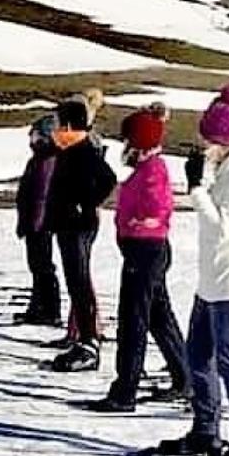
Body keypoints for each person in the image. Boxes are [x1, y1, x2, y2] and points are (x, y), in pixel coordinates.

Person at [152, 85, 229, 456]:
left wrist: (198, 190)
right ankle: (205, 431)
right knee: (198, 357)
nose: (203, 146)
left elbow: (226, 226)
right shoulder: (226, 168)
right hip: (211, 281)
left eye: (210, 139)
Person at [88, 106, 190, 412]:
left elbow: (159, 206)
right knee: (159, 317)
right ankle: (184, 378)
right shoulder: (147, 169)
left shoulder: (153, 170)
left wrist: (140, 223)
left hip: (145, 251)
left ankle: (125, 390)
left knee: (134, 319)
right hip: (144, 250)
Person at [46, 99, 119, 372]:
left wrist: (85, 204)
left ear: (67, 123)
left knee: (80, 282)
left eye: (58, 120)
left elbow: (108, 179)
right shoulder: (68, 148)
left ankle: (89, 344)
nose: (54, 126)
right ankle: (83, 339)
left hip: (78, 225)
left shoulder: (83, 149)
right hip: (66, 224)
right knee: (75, 282)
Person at [15, 114, 61, 325]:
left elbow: (41, 194)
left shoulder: (47, 160)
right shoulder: (39, 159)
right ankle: (37, 307)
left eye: (34, 134)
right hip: (34, 220)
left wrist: (34, 223)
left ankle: (50, 309)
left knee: (43, 266)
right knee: (37, 266)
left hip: (40, 223)